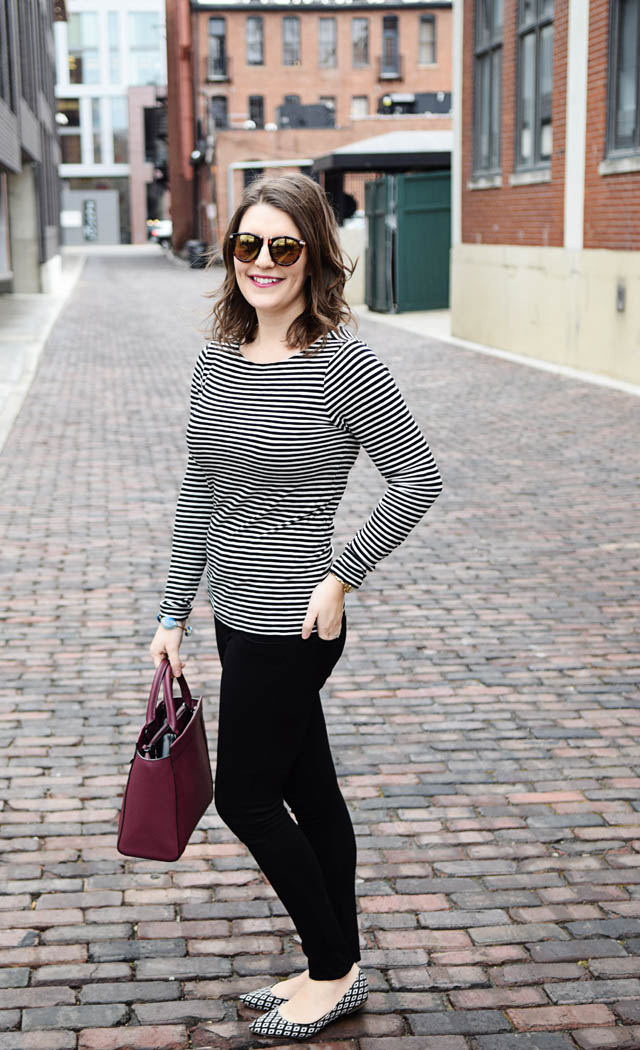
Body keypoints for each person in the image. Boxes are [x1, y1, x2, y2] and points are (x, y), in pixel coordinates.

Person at [149, 173, 443, 1040]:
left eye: (284, 246)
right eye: (248, 246)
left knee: (244, 796)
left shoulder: (342, 364)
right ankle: (337, 962)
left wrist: (342, 572)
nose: (263, 262)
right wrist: (173, 616)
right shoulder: (215, 359)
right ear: (230, 255)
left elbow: (417, 477)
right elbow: (200, 492)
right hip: (233, 617)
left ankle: (331, 969)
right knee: (311, 794)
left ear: (313, 254)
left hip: (298, 623)